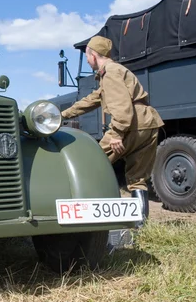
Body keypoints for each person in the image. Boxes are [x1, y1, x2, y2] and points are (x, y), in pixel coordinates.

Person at [60, 35, 164, 227]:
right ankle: (140, 225)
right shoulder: (117, 71)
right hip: (148, 123)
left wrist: (117, 133)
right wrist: (62, 115)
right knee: (138, 178)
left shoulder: (110, 73)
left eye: (87, 56)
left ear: (92, 54)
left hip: (130, 124)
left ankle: (91, 223)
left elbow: (122, 105)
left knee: (91, 167)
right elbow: (91, 100)